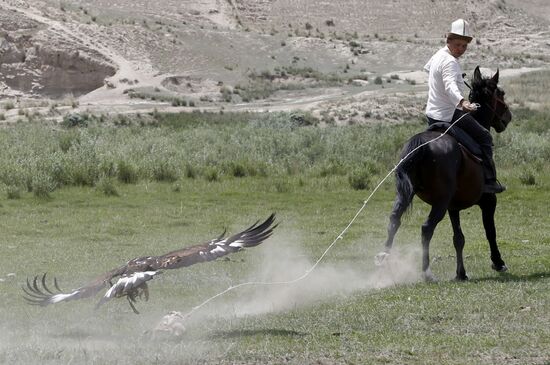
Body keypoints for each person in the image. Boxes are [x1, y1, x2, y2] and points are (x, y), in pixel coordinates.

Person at [423, 19, 505, 194]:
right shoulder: (451, 62)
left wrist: (455, 78)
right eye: (458, 44)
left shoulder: (438, 56)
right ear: (449, 41)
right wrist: (462, 102)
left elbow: (428, 69)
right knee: (484, 137)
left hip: (431, 114)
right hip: (449, 114)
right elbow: (450, 85)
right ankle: (489, 181)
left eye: (464, 46)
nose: (461, 49)